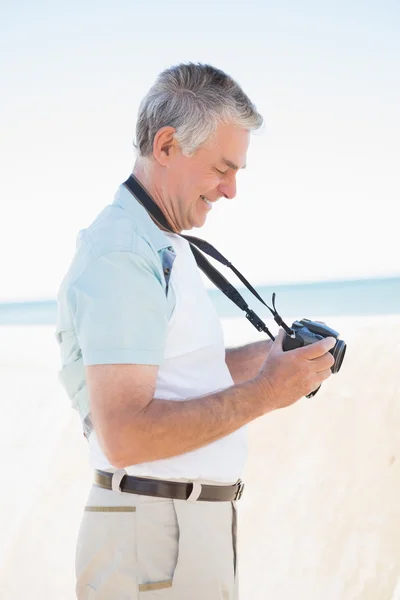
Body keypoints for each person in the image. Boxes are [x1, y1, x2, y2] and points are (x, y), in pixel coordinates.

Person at [56, 63, 335, 600]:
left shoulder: (161, 238)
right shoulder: (122, 252)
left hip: (174, 525)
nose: (231, 191)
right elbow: (125, 436)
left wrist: (273, 356)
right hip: (153, 531)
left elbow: (178, 373)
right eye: (221, 169)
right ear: (165, 146)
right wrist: (267, 393)